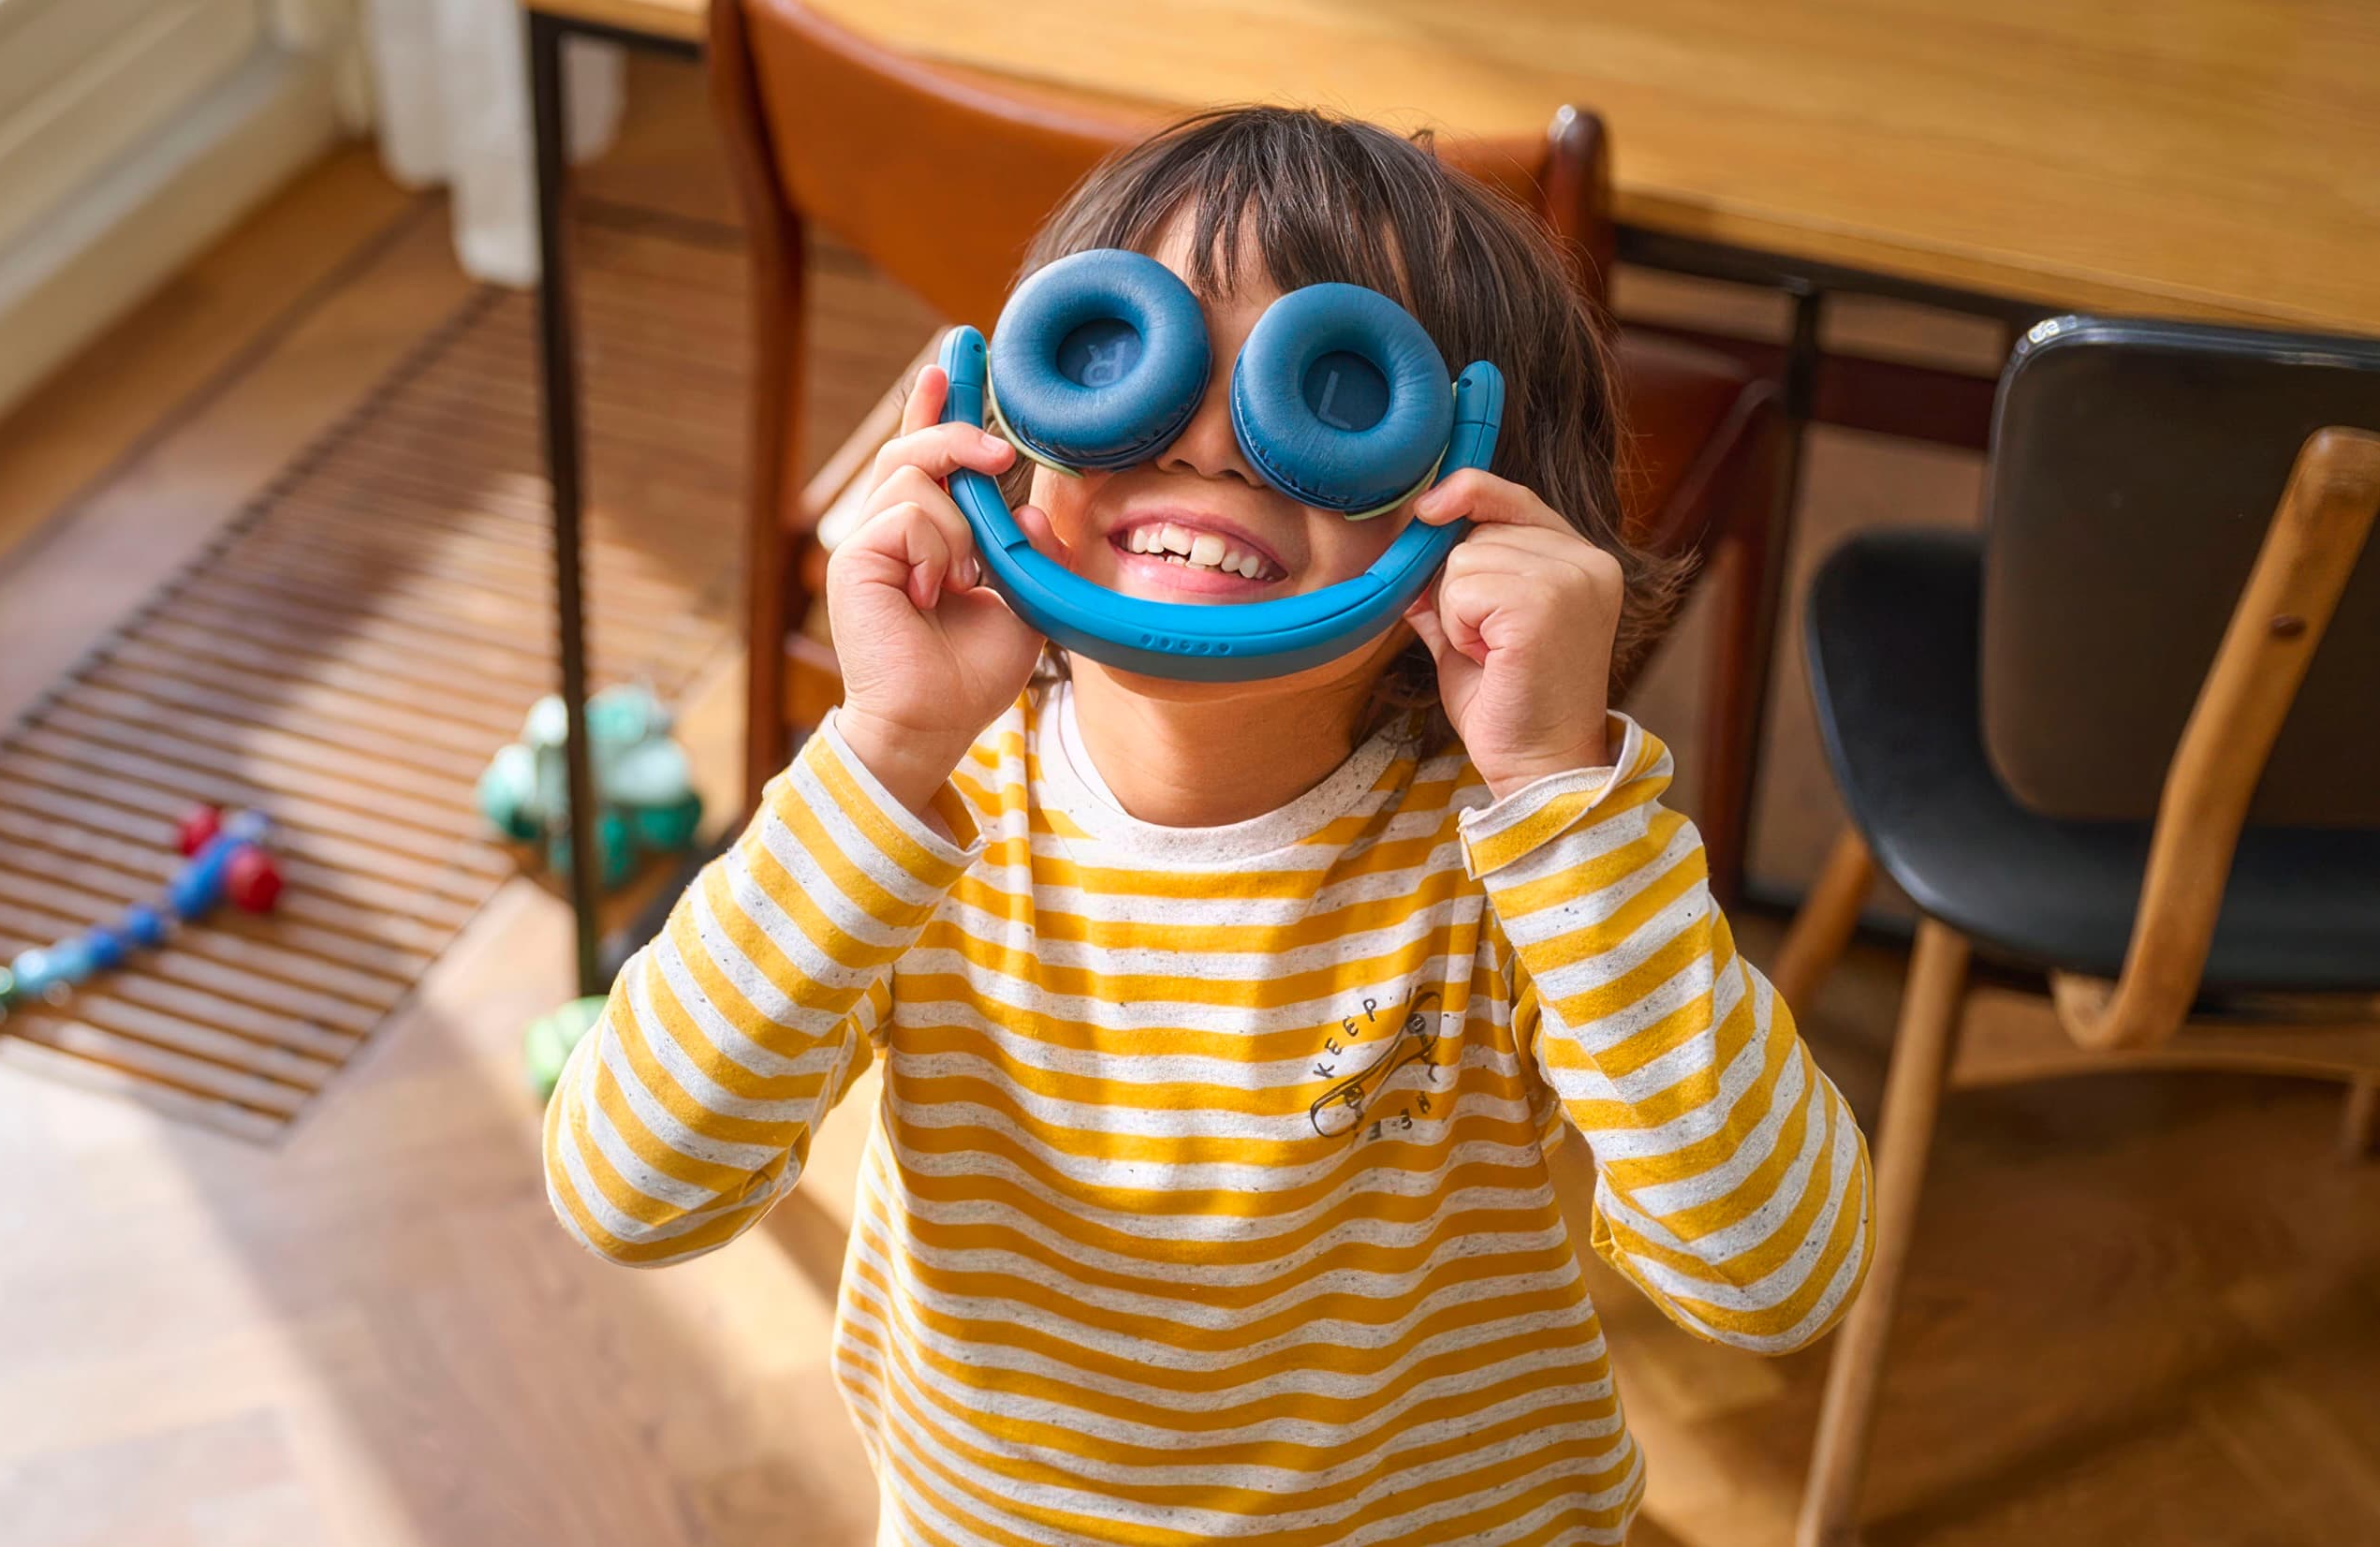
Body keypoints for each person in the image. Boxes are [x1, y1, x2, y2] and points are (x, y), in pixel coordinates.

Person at [543, 107, 1871, 1546]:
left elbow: (1776, 1273)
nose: (1212, 443)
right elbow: (629, 1187)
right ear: (1001, 416)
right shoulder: (915, 822)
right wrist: (884, 751)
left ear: (1484, 489)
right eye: (1123, 357)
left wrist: (1558, 795)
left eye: (1332, 393)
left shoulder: (1528, 857)